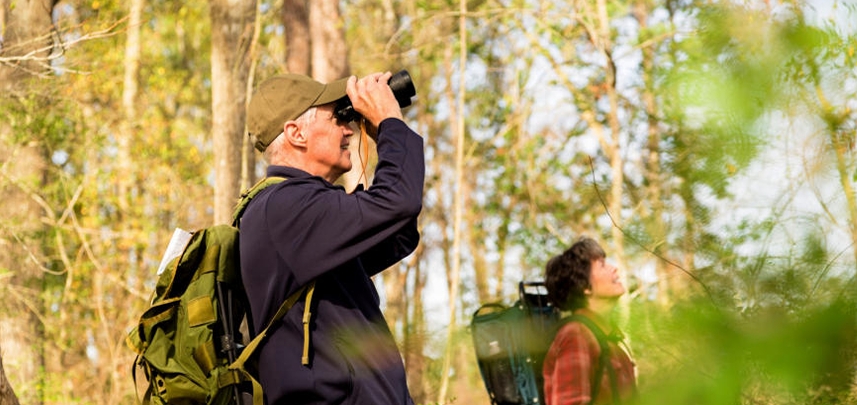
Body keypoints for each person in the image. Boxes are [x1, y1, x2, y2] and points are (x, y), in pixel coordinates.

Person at [240, 71, 424, 405]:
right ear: (296, 133)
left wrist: (382, 130)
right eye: (336, 117)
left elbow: (395, 232)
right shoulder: (284, 206)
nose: (349, 128)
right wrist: (390, 124)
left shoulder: (296, 208)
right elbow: (398, 202)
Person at [542, 237, 637, 405]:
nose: (614, 268)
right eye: (602, 264)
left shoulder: (609, 338)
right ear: (584, 286)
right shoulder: (576, 335)